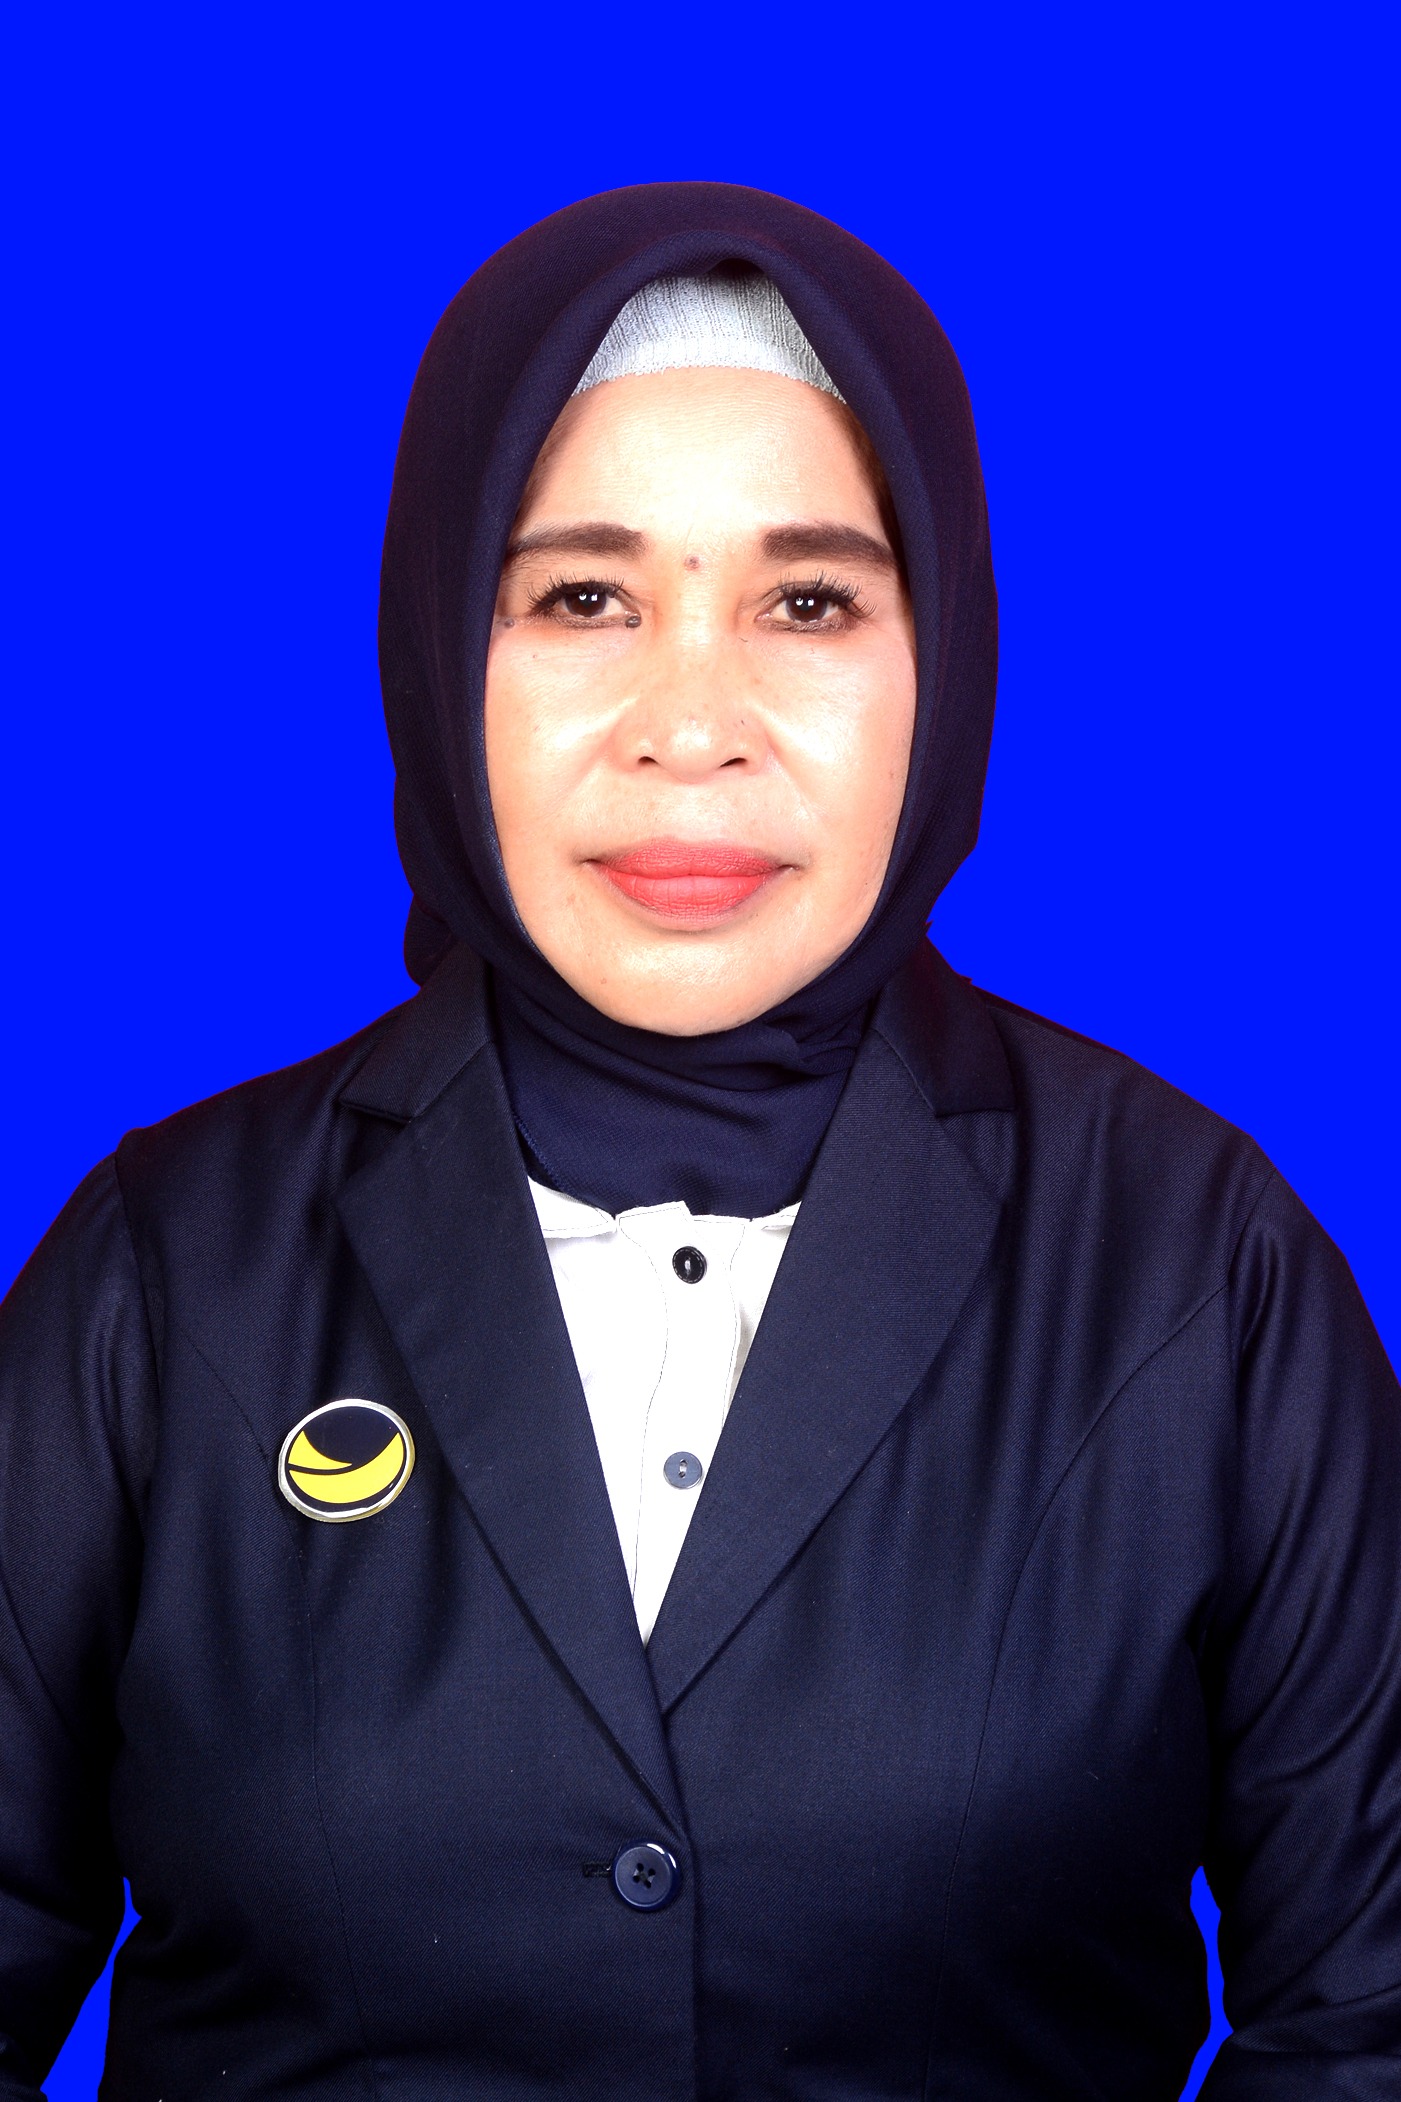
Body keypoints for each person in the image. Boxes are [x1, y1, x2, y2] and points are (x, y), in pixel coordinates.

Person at [1, 182, 1398, 2100]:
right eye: (582, 599)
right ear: (437, 649)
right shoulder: (168, 1264)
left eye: (806, 602)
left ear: (946, 657)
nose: (691, 725)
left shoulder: (1198, 1266)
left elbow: (1369, 2021)